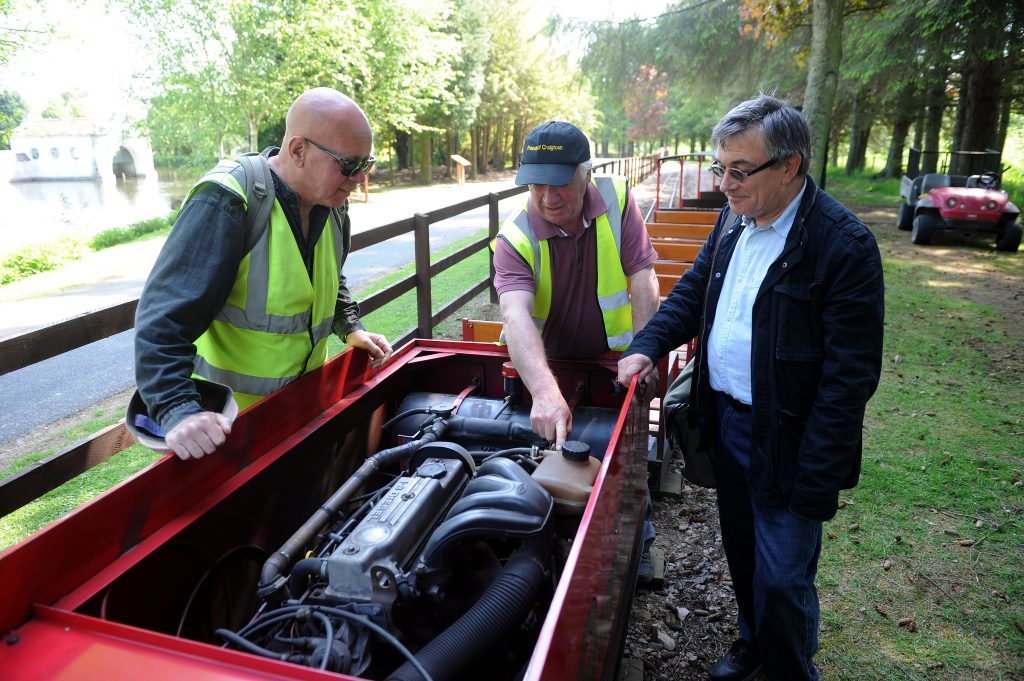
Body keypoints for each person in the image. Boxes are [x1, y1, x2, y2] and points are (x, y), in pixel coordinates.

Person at [617, 95, 884, 680]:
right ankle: (753, 642)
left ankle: (788, 668)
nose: (725, 184)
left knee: (785, 574)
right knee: (742, 548)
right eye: (721, 168)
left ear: (789, 166)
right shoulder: (733, 219)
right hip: (727, 422)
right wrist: (647, 345)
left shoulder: (843, 246)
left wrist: (816, 479)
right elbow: (692, 293)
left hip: (791, 435)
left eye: (740, 171)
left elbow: (849, 380)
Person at [135, 87, 393, 461]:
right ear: (298, 150)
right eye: (349, 165)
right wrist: (177, 409)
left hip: (300, 418)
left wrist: (350, 327)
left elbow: (325, 278)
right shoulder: (227, 201)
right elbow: (163, 319)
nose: (358, 178)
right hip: (228, 433)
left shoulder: (333, 203)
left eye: (365, 165)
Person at [492, 120, 661, 582]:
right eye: (536, 183)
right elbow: (516, 316)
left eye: (560, 181)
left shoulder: (618, 200)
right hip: (549, 365)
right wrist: (545, 393)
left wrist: (646, 350)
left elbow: (643, 278)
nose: (548, 197)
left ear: (586, 173)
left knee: (629, 455)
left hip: (616, 360)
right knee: (548, 452)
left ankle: (638, 540)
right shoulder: (515, 239)